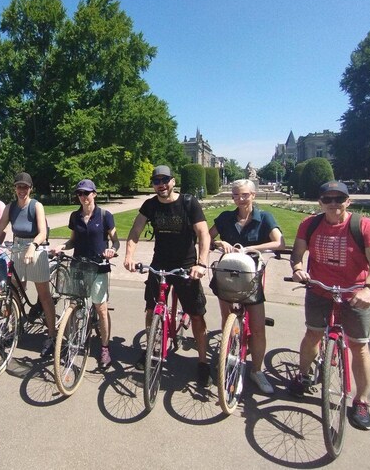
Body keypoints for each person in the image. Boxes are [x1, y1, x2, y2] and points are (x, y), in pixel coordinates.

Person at [289, 181, 370, 431]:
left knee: (359, 346)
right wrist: (298, 268)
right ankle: (304, 375)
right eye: (327, 199)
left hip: (355, 294)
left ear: (347, 201)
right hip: (319, 289)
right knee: (313, 334)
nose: (333, 204)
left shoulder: (363, 225)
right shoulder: (309, 224)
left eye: (339, 199)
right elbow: (297, 253)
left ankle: (361, 401)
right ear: (320, 202)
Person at [123, 165, 212, 385]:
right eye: (156, 181)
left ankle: (202, 362)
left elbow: (203, 234)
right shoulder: (150, 205)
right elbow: (135, 232)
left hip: (186, 265)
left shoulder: (189, 203)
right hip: (160, 264)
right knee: (151, 309)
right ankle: (151, 346)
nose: (161, 184)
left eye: (165, 180)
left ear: (173, 181)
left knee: (197, 315)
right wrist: (129, 256)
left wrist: (201, 263)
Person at [208, 179, 285, 394]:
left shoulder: (264, 218)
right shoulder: (225, 218)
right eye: (235, 195)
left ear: (253, 195)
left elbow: (280, 243)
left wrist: (251, 248)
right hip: (227, 273)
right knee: (227, 321)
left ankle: (256, 370)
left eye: (244, 195)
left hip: (251, 276)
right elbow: (206, 236)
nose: (240, 199)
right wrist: (218, 243)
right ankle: (228, 356)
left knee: (258, 328)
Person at [0, 172, 56, 357]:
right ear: (15, 188)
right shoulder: (11, 207)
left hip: (35, 249)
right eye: (19, 187)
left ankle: (52, 335)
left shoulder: (36, 206)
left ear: (30, 188)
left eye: (25, 187)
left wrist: (33, 246)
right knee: (12, 293)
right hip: (17, 248)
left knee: (44, 295)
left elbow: (42, 232)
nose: (22, 190)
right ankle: (12, 327)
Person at [54, 179, 120, 369]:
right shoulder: (75, 216)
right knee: (74, 306)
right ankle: (71, 344)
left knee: (101, 309)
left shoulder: (105, 215)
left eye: (86, 193)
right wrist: (61, 247)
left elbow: (115, 242)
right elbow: (72, 241)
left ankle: (105, 348)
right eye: (80, 193)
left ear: (94, 194)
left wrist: (111, 251)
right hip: (78, 266)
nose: (83, 197)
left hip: (98, 267)